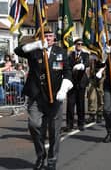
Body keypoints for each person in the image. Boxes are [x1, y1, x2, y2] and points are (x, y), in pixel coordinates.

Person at [14, 26, 73, 170]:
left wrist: (64, 88)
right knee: (34, 125)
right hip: (37, 96)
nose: (48, 38)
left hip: (54, 97)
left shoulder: (61, 52)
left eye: (50, 35)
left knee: (54, 131)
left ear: (54, 38)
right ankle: (41, 154)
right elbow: (18, 50)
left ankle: (52, 160)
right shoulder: (35, 51)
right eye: (45, 35)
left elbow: (67, 72)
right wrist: (36, 45)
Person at [65, 38, 89, 132]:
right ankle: (69, 124)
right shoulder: (70, 55)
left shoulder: (85, 55)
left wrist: (82, 65)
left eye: (81, 44)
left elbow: (87, 63)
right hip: (72, 82)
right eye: (78, 44)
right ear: (75, 45)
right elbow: (67, 65)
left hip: (81, 82)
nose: (79, 45)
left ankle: (81, 123)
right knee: (70, 104)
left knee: (81, 104)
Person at [86, 56, 105, 124]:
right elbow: (88, 65)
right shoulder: (91, 52)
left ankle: (99, 113)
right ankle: (92, 114)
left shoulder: (103, 51)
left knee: (100, 95)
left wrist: (101, 71)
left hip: (101, 77)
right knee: (91, 96)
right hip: (92, 76)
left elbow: (105, 64)